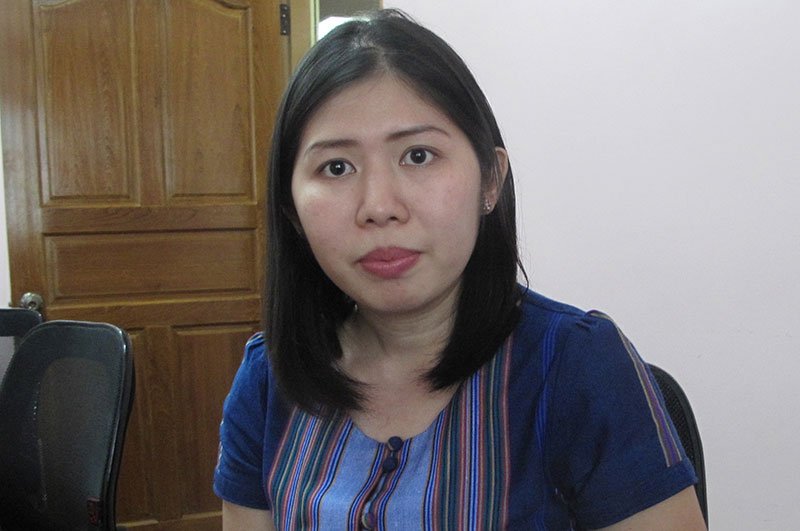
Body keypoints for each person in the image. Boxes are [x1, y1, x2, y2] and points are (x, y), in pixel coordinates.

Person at [213, 9, 706, 530]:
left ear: (490, 180)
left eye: (418, 156)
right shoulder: (269, 380)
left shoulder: (578, 369)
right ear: (291, 209)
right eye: (337, 167)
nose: (379, 206)